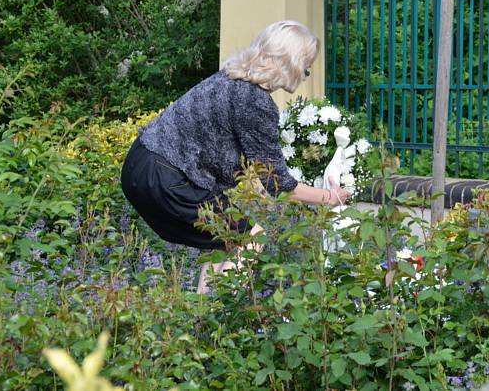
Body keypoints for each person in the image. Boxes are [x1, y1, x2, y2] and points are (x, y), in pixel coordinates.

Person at [121, 21, 349, 289]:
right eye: (306, 65)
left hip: (138, 163)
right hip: (165, 177)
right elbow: (277, 184)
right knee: (252, 237)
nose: (306, 73)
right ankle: (220, 314)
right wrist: (330, 197)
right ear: (293, 64)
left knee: (225, 238)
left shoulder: (229, 76)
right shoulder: (254, 101)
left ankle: (203, 317)